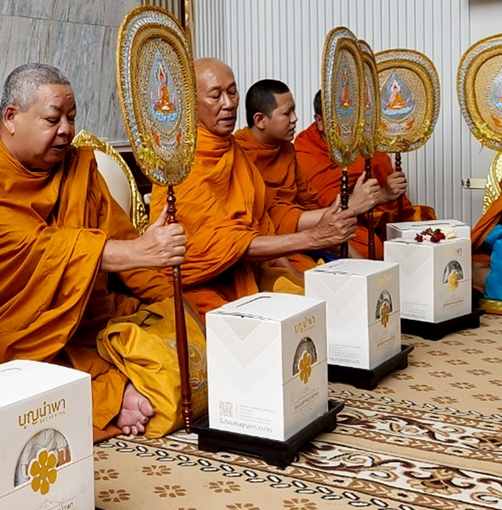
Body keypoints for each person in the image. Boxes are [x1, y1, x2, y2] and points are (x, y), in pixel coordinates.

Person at [0, 63, 206, 441]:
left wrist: (173, 303)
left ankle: (114, 390)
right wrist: (142, 251)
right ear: (11, 117)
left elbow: (119, 235)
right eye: (52, 119)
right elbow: (39, 249)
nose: (66, 130)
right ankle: (111, 395)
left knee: (171, 334)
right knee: (9, 377)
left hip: (85, 316)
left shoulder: (78, 167)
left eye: (71, 118)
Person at [150, 60, 357, 317]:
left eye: (232, 92)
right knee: (243, 336)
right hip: (201, 283)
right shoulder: (180, 163)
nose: (228, 104)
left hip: (248, 270)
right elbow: (226, 244)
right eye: (216, 96)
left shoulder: (234, 152)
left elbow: (260, 224)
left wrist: (292, 275)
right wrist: (314, 238)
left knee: (311, 306)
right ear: (191, 103)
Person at [234, 79, 381, 270]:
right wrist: (349, 207)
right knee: (308, 278)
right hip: (273, 242)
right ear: (260, 120)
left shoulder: (286, 149)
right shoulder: (240, 154)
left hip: (302, 231)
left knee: (362, 255)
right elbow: (268, 219)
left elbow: (307, 200)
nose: (295, 118)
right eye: (287, 113)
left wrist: (341, 243)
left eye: (293, 111)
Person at [294, 90, 435, 256]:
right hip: (335, 221)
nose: (350, 126)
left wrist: (392, 190)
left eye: (353, 117)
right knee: (369, 247)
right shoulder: (306, 151)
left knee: (424, 225)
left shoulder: (363, 140)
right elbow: (331, 209)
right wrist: (382, 196)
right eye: (341, 119)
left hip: (373, 216)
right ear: (320, 122)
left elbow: (389, 190)